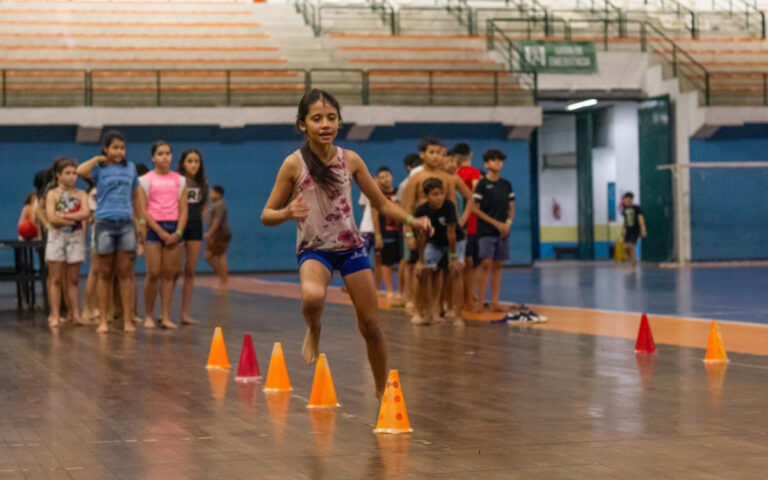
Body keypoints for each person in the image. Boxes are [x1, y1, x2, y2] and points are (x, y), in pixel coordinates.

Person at [260, 89, 431, 399]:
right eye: (316, 119)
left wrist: (412, 221)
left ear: (339, 121)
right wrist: (287, 212)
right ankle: (314, 328)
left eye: (331, 118)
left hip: (351, 249)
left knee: (371, 326)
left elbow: (382, 204)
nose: (325, 124)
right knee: (312, 298)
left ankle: (382, 394)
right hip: (314, 249)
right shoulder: (293, 164)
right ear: (303, 125)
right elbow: (266, 214)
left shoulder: (350, 159)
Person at [77, 130, 146, 334]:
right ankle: (103, 320)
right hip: (104, 223)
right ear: (106, 148)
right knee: (104, 273)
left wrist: (141, 222)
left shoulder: (131, 168)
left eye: (122, 148)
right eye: (115, 147)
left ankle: (126, 320)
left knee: (125, 273)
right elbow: (81, 171)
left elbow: (136, 198)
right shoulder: (99, 168)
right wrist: (98, 158)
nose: (119, 151)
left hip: (125, 223)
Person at [402, 138, 474, 325]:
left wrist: (459, 223)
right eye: (431, 152)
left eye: (439, 153)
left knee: (444, 274)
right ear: (422, 154)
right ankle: (419, 311)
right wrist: (409, 234)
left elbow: (451, 207)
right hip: (423, 233)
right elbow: (407, 209)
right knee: (422, 272)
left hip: (445, 233)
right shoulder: (415, 179)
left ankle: (437, 310)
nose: (436, 157)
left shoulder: (448, 179)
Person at [140, 141, 188, 329]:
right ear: (153, 157)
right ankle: (149, 315)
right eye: (160, 153)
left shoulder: (180, 180)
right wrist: (159, 231)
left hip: (174, 227)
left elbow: (184, 209)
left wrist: (177, 232)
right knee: (153, 273)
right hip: (154, 227)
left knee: (169, 275)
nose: (165, 157)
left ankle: (165, 315)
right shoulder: (145, 180)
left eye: (168, 153)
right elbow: (143, 210)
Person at [44, 157, 90, 328]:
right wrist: (70, 220)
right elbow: (51, 217)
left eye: (74, 173)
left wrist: (64, 216)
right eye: (67, 173)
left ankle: (76, 314)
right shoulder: (52, 194)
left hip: (75, 238)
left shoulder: (81, 194)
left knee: (73, 280)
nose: (72, 177)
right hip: (57, 238)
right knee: (55, 279)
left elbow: (85, 213)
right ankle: (55, 315)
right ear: (59, 175)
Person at [472, 149, 515, 314]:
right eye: (494, 160)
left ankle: (495, 302)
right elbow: (475, 209)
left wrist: (507, 224)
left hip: (503, 232)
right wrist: (496, 224)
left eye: (500, 160)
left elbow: (511, 209)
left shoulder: (506, 185)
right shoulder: (482, 185)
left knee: (498, 266)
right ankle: (480, 301)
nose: (498, 163)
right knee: (486, 264)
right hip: (486, 231)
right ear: (486, 164)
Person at [414, 178, 462, 325]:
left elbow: (452, 233)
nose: (439, 197)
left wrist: (454, 257)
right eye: (434, 194)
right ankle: (427, 313)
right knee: (423, 272)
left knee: (456, 272)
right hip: (434, 243)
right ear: (427, 196)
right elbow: (421, 237)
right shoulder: (421, 210)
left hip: (455, 242)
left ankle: (457, 315)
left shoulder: (449, 206)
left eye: (441, 194)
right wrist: (421, 260)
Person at [179, 149, 208, 324]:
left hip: (195, 228)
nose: (193, 164)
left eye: (196, 161)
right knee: (172, 271)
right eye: (190, 161)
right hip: (178, 227)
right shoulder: (177, 181)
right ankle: (164, 312)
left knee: (190, 271)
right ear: (183, 163)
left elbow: (204, 207)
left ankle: (185, 313)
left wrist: (200, 224)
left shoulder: (203, 183)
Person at [453, 142, 482, 307]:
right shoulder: (475, 173)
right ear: (470, 155)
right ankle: (469, 298)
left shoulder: (455, 173)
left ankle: (463, 297)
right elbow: (476, 196)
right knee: (471, 264)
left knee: (461, 262)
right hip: (471, 222)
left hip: (458, 221)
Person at [395, 153, 422, 310]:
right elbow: (400, 208)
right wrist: (408, 230)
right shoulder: (406, 184)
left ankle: (417, 297)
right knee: (409, 262)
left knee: (419, 263)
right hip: (409, 226)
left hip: (421, 227)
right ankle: (408, 296)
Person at [371, 166, 401, 302]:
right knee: (386, 262)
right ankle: (389, 290)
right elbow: (375, 216)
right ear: (377, 179)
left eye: (387, 176)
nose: (385, 179)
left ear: (391, 176)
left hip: (399, 233)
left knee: (402, 262)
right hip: (386, 234)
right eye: (381, 177)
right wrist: (378, 235)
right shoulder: (377, 196)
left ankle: (401, 290)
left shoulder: (399, 192)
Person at [205, 185, 231, 290]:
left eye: (212, 193)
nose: (210, 195)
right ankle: (222, 277)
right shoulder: (215, 204)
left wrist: (210, 233)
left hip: (220, 234)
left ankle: (223, 280)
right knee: (211, 256)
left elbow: (217, 221)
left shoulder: (220, 205)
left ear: (218, 194)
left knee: (219, 256)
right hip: (217, 234)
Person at [620, 192, 647, 267]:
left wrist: (643, 228)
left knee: (631, 245)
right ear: (624, 200)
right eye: (626, 199)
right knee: (626, 246)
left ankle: (633, 261)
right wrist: (623, 229)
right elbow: (625, 220)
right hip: (628, 229)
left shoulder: (636, 208)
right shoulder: (624, 209)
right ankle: (631, 258)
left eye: (630, 199)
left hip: (635, 229)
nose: (628, 201)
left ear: (632, 200)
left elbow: (640, 217)